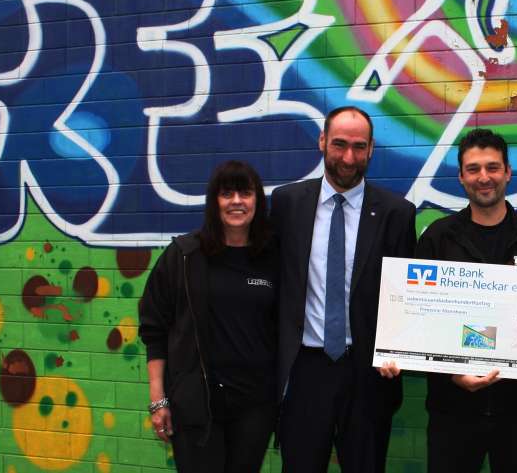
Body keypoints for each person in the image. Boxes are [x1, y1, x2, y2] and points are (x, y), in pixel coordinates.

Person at [272, 106, 416, 473]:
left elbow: (406, 295)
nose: (348, 157)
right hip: (305, 370)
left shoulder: (397, 213)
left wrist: (398, 348)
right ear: (322, 142)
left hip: (368, 373)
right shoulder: (287, 203)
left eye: (359, 146)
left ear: (371, 150)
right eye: (339, 144)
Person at [415, 128, 517, 473]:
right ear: (461, 176)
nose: (483, 178)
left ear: (508, 172)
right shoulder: (438, 239)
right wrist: (453, 374)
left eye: (492, 167)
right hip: (452, 411)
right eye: (473, 169)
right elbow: (419, 322)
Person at [138, 160, 279, 473]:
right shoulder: (184, 256)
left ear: (258, 200)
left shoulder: (272, 258)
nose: (237, 202)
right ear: (214, 202)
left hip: (255, 406)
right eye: (227, 194)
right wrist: (158, 399)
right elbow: (154, 329)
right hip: (196, 406)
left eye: (245, 193)